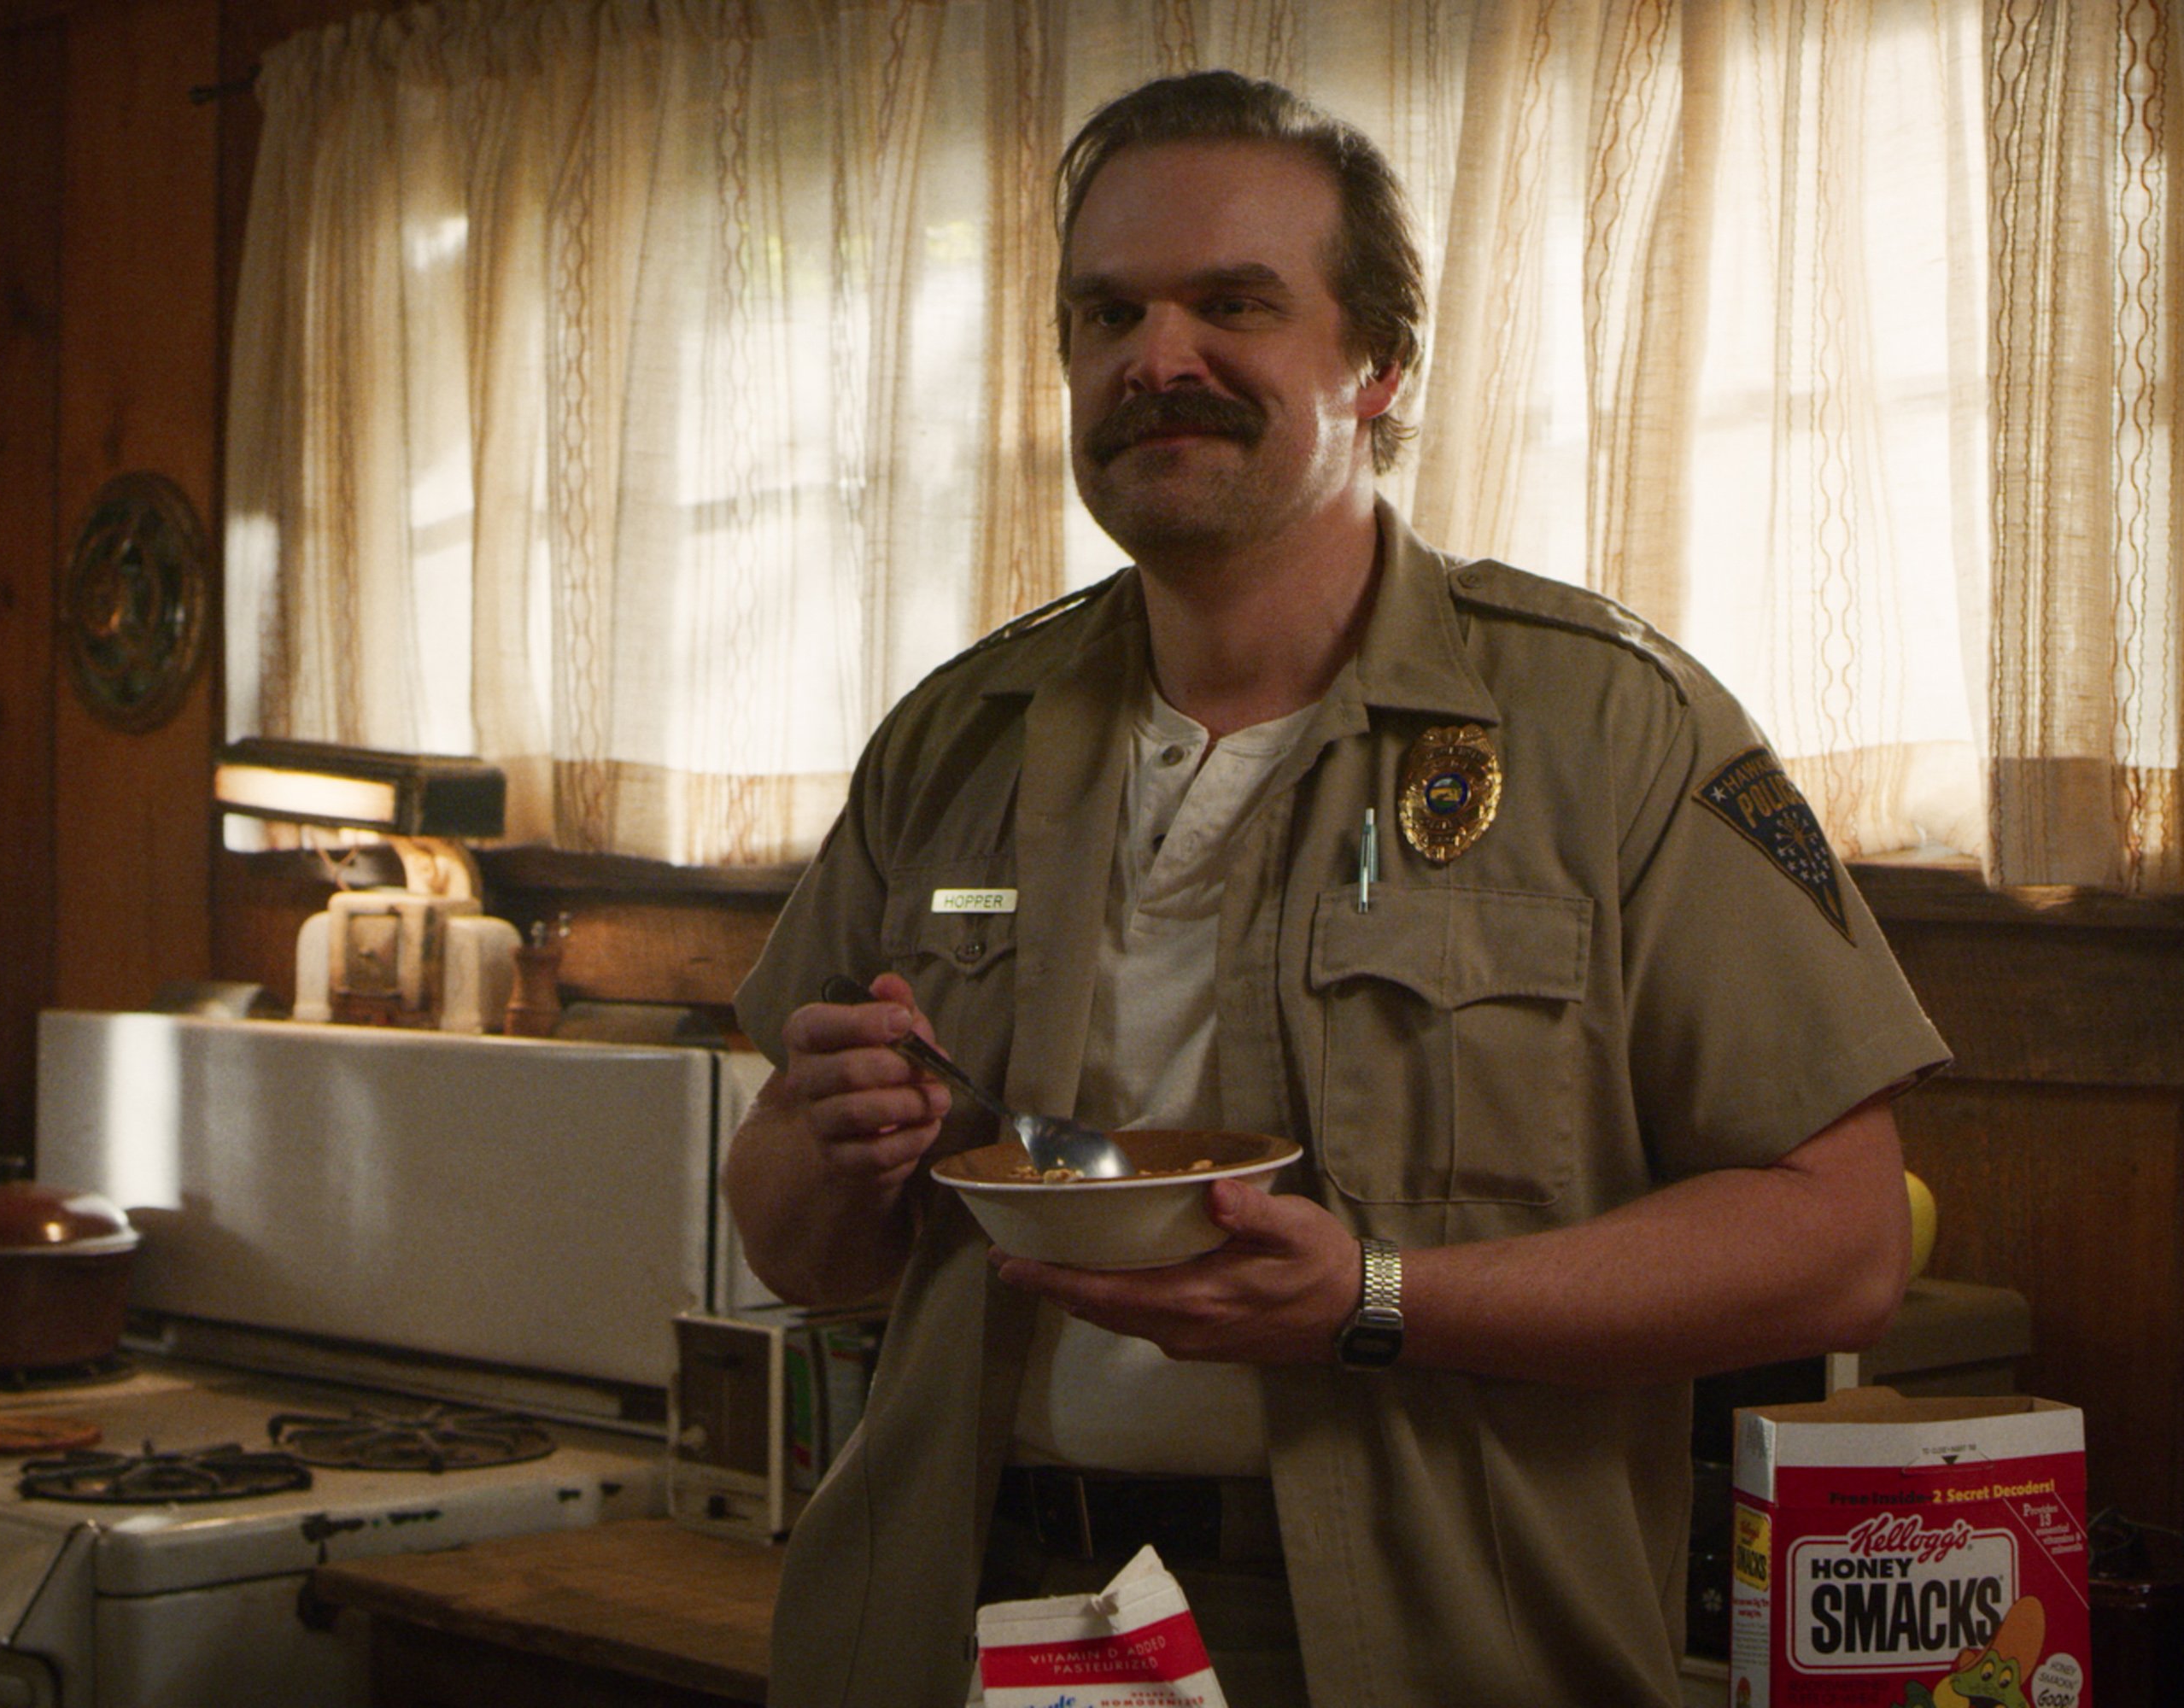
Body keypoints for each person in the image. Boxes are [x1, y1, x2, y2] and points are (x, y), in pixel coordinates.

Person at [723, 68, 1948, 1707]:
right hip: (963, 1618)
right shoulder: (953, 740)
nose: (1159, 358)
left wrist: (1375, 1302)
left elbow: (1842, 1242)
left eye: (1234, 303)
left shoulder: (1611, 727)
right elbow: (800, 1250)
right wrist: (825, 1143)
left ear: (1375, 362)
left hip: (1413, 1643)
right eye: (1108, 314)